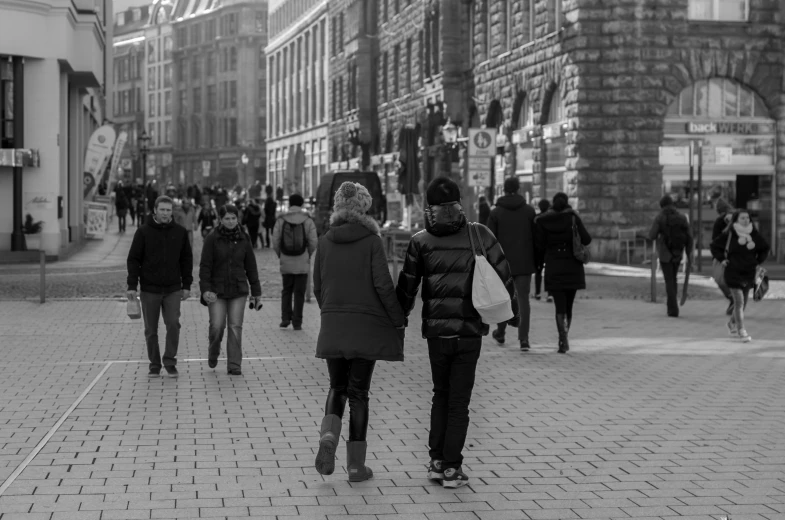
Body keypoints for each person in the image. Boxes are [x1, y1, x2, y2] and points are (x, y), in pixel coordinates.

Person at [396, 177, 516, 489]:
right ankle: (452, 468)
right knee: (459, 400)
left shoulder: (420, 241)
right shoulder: (480, 234)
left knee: (440, 394)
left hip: (437, 334)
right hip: (469, 331)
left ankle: (437, 461)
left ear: (430, 207)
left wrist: (399, 317)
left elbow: (407, 287)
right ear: (458, 204)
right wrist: (512, 316)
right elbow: (504, 275)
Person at [312, 182, 405, 481]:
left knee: (337, 387)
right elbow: (383, 284)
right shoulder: (371, 242)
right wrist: (397, 317)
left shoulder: (325, 241)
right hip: (365, 327)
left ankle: (328, 437)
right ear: (365, 207)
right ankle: (355, 466)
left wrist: (330, 313)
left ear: (337, 207)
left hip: (334, 325)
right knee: (359, 394)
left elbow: (317, 286)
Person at [127, 196, 193, 378]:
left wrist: (186, 284)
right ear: (155, 210)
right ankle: (154, 364)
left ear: (172, 211)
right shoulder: (143, 232)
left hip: (172, 288)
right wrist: (132, 285)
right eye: (162, 210)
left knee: (173, 324)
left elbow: (187, 260)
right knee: (151, 329)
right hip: (150, 289)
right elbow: (134, 259)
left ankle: (170, 361)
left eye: (168, 210)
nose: (165, 213)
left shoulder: (179, 232)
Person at [199, 205, 262, 375]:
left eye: (233, 218)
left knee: (235, 326)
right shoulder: (212, 238)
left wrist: (256, 292)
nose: (231, 221)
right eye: (227, 218)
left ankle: (234, 364)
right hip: (216, 290)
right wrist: (205, 290)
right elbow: (205, 266)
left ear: (238, 219)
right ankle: (214, 350)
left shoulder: (244, 238)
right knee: (217, 326)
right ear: (220, 219)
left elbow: (251, 266)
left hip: (238, 288)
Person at [534, 192, 592, 353]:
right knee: (569, 306)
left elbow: (539, 246)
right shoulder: (573, 217)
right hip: (573, 266)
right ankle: (565, 337)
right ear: (566, 203)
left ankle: (562, 339)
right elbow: (587, 239)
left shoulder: (543, 220)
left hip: (553, 266)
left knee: (559, 307)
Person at [487, 176, 536, 352]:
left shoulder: (496, 212)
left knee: (503, 298)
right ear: (519, 189)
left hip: (502, 264)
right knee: (523, 299)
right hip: (524, 262)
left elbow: (489, 241)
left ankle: (500, 332)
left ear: (504, 190)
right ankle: (524, 339)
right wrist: (536, 262)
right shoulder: (529, 212)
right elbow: (536, 239)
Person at [710, 209, 769, 342]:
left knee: (743, 303)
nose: (746, 220)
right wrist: (722, 259)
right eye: (742, 218)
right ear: (736, 220)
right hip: (733, 271)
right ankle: (742, 330)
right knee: (739, 302)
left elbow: (765, 248)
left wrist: (757, 261)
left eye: (747, 218)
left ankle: (732, 323)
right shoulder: (729, 234)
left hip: (748, 272)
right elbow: (714, 246)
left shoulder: (753, 233)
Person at [273, 193, 318, 330]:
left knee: (286, 290)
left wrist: (280, 254)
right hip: (302, 260)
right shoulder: (307, 220)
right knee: (299, 292)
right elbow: (313, 241)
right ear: (302, 204)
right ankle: (297, 321)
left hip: (286, 260)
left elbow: (275, 241)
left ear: (290, 204)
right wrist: (307, 254)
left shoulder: (281, 220)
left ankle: (285, 318)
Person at [648, 195, 693, 318]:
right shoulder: (682, 217)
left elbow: (652, 235)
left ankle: (673, 309)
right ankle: (671, 306)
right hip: (678, 251)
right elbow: (689, 236)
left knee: (669, 279)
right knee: (674, 278)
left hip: (665, 252)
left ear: (662, 206)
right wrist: (689, 254)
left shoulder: (660, 217)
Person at [712, 198, 735, 315]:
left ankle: (732, 298)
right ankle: (735, 300)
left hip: (723, 256)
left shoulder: (719, 221)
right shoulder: (739, 218)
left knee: (719, 278)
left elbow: (714, 241)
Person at [534, 199, 552, 302]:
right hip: (549, 248)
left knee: (538, 271)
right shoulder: (551, 218)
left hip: (538, 249)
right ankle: (549, 294)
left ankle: (537, 293)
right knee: (548, 271)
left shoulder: (536, 219)